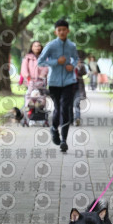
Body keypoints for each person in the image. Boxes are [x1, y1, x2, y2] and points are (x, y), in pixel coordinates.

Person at [37, 19, 79, 153]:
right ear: (56, 32)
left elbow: (76, 58)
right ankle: (54, 129)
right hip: (54, 82)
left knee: (65, 108)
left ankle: (64, 140)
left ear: (68, 31)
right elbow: (40, 61)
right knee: (58, 108)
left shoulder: (72, 46)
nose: (61, 32)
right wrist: (56, 62)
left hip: (69, 81)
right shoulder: (51, 45)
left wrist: (72, 65)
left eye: (64, 30)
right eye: (59, 30)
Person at [73, 59, 87, 126]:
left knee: (77, 103)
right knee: (69, 105)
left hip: (78, 86)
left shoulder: (81, 66)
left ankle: (77, 118)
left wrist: (79, 67)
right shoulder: (68, 65)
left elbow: (85, 73)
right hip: (69, 87)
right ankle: (70, 119)